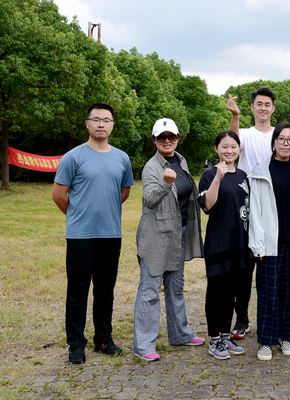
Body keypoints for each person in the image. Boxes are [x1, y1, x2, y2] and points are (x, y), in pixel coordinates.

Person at [52, 103, 134, 364]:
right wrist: (79, 215)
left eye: (106, 120)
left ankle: (103, 339)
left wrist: (104, 211)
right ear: (87, 123)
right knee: (78, 291)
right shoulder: (73, 157)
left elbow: (123, 192)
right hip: (80, 236)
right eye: (96, 119)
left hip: (111, 233)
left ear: (112, 125)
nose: (101, 124)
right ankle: (76, 344)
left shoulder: (122, 158)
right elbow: (58, 195)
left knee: (105, 290)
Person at [225, 87, 290, 339]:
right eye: (258, 104)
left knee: (273, 275)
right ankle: (242, 318)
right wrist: (235, 116)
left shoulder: (282, 136)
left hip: (275, 211)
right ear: (252, 107)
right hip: (247, 206)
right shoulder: (246, 134)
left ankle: (280, 328)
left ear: (273, 108)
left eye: (267, 104)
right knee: (244, 270)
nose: (263, 108)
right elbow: (232, 143)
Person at [133, 118, 205, 362]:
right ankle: (143, 345)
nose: (167, 141)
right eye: (161, 137)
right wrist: (165, 184)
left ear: (177, 138)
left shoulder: (181, 161)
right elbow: (149, 200)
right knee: (150, 290)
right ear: (154, 140)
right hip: (155, 236)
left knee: (175, 287)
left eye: (171, 136)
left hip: (178, 233)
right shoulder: (151, 167)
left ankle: (180, 334)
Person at [248, 123, 290, 361]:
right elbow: (255, 210)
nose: (285, 143)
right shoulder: (261, 171)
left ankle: (286, 337)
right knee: (268, 292)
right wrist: (257, 245)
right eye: (281, 139)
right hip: (269, 241)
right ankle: (266, 340)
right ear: (274, 142)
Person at [198, 130, 249, 360]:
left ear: (239, 149)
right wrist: (218, 178)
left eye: (233, 146)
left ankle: (225, 336)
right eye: (224, 147)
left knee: (231, 293)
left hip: (239, 243)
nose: (229, 151)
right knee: (216, 292)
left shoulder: (243, 175)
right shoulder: (209, 174)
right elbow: (208, 205)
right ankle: (214, 340)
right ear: (216, 149)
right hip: (218, 243)